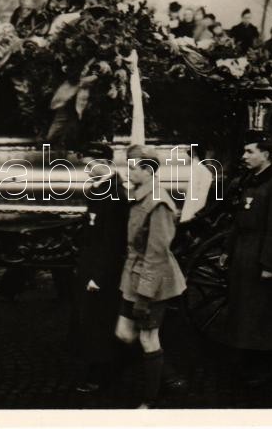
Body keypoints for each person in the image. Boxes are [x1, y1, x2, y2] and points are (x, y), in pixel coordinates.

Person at [115, 144, 186, 409]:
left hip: (153, 282)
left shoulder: (158, 202)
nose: (127, 172)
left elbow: (156, 255)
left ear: (148, 170)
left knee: (147, 337)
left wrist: (144, 296)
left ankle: (151, 399)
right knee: (124, 333)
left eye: (132, 168)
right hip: (133, 275)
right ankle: (167, 375)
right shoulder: (140, 194)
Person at [224, 132, 272, 385]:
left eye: (249, 152)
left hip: (260, 260)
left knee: (262, 315)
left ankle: (265, 367)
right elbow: (239, 221)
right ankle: (246, 363)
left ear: (265, 155)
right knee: (244, 312)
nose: (244, 157)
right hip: (244, 256)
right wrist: (228, 250)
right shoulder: (253, 181)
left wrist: (269, 265)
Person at [70, 143, 130, 393]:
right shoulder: (98, 189)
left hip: (103, 271)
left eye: (89, 164)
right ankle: (95, 366)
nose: (86, 169)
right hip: (90, 263)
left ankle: (102, 373)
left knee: (101, 321)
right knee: (90, 321)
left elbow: (113, 241)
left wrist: (99, 276)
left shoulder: (115, 193)